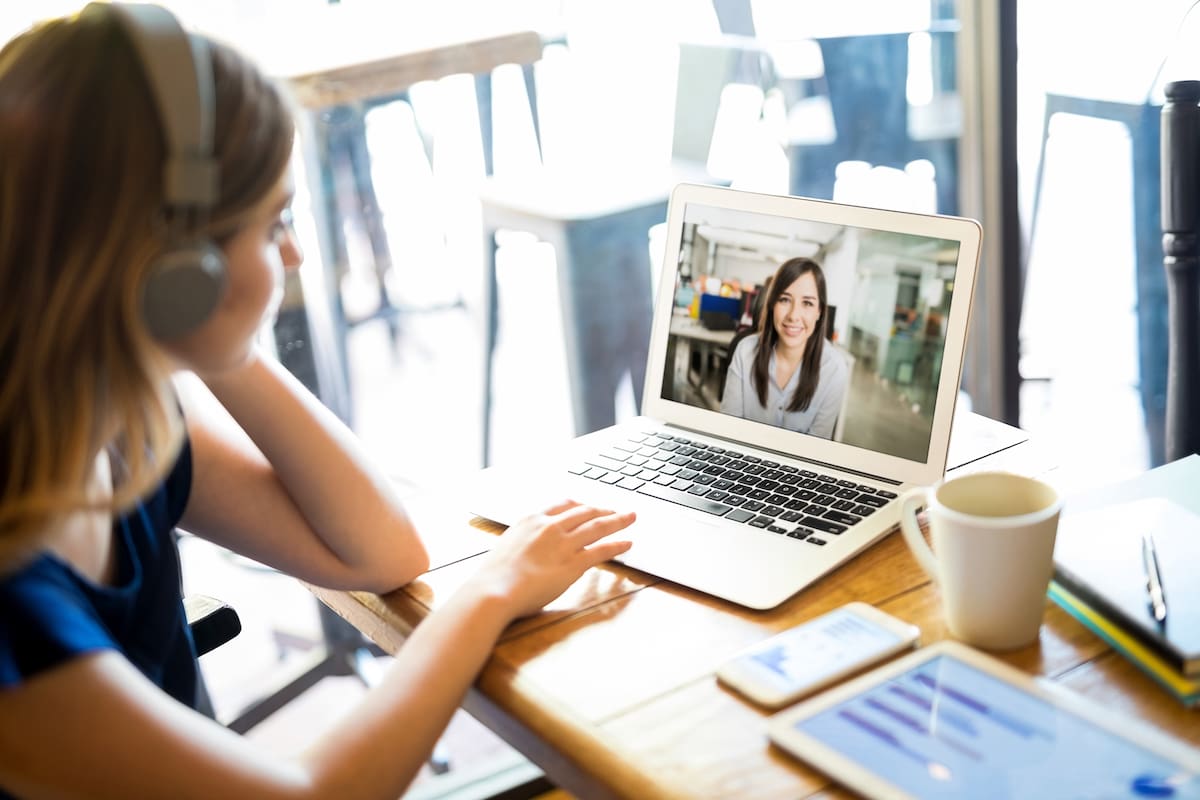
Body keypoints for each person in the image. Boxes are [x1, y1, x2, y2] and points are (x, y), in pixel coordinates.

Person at [0, 6, 635, 799]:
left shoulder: (123, 422)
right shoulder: (16, 603)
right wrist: (493, 590)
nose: (296, 255)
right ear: (174, 267)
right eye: (274, 225)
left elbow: (379, 551)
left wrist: (217, 336)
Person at [719, 257, 848, 439]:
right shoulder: (745, 352)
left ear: (819, 311)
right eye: (785, 300)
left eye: (807, 303)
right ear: (772, 304)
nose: (794, 315)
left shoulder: (834, 369)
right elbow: (728, 430)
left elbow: (816, 447)